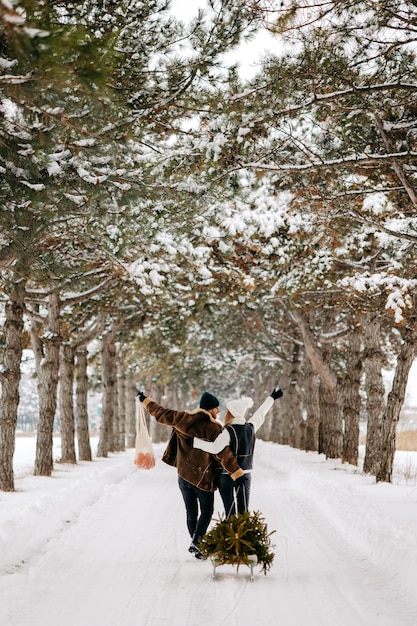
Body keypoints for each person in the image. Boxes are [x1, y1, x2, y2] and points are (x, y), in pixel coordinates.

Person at [136, 389, 245, 559]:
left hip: (183, 476)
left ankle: (198, 547)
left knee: (191, 512)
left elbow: (159, 412)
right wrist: (236, 472)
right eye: (216, 408)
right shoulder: (214, 428)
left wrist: (144, 400)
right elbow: (223, 453)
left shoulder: (181, 418)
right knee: (207, 510)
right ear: (209, 409)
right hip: (202, 478)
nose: (218, 412)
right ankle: (197, 542)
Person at [193, 387, 283, 517]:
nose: (225, 414)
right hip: (245, 475)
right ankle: (243, 535)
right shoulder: (251, 427)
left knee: (230, 511)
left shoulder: (228, 431)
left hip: (226, 475)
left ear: (232, 413)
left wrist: (195, 442)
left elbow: (214, 448)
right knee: (243, 511)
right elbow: (261, 413)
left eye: (228, 411)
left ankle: (231, 534)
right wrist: (271, 398)